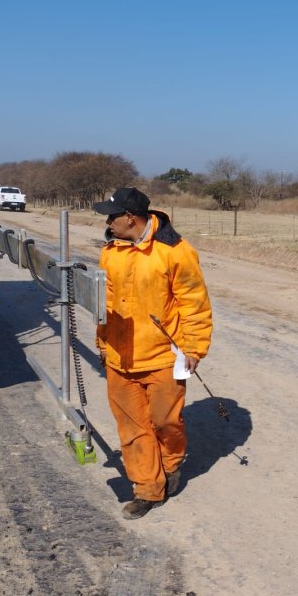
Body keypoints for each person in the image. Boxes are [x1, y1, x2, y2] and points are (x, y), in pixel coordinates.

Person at [93, 187, 212, 520]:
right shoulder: (110, 251)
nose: (107, 222)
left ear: (130, 218)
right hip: (120, 357)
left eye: (111, 216)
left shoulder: (175, 251)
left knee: (165, 421)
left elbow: (195, 303)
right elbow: (105, 303)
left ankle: (171, 463)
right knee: (132, 429)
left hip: (163, 356)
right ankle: (148, 489)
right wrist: (102, 341)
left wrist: (193, 348)